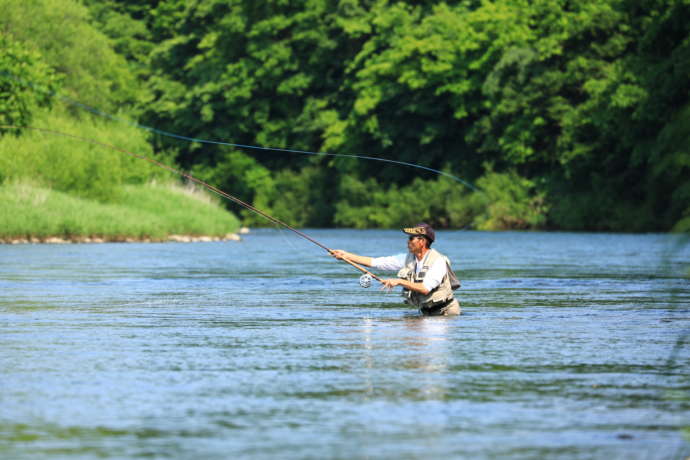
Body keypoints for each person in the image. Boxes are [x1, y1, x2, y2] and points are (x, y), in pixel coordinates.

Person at [331, 223, 461, 316]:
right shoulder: (407, 259)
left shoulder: (438, 261)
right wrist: (345, 255)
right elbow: (375, 262)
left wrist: (399, 281)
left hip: (445, 312)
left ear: (422, 242)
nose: (407, 241)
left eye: (411, 238)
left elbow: (425, 288)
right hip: (426, 312)